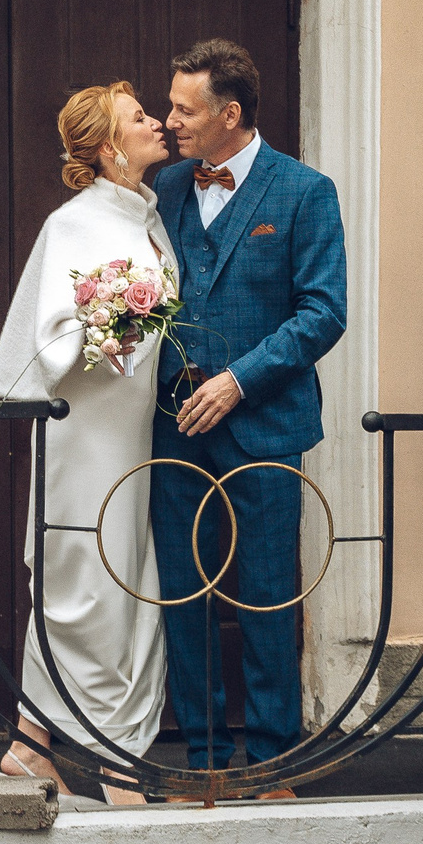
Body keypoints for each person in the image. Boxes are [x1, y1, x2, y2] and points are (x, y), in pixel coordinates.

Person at [152, 40, 347, 787]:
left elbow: (324, 311)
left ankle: (271, 756)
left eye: (185, 108)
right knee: (183, 589)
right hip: (174, 426)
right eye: (170, 106)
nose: (171, 121)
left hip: (263, 422)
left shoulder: (305, 192)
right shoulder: (166, 189)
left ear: (230, 114)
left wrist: (238, 380)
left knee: (268, 593)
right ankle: (202, 754)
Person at [0, 82, 176, 804]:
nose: (157, 121)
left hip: (133, 436)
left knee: (129, 587)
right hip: (87, 437)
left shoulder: (147, 218)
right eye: (140, 118)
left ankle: (32, 744)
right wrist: (109, 328)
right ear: (107, 147)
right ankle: (112, 762)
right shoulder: (73, 223)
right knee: (84, 585)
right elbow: (53, 334)